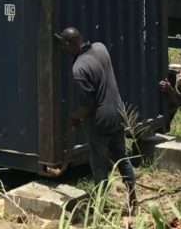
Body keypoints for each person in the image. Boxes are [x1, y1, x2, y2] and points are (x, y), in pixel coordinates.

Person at [58, 27, 137, 208]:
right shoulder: (100, 48)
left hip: (100, 121)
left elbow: (89, 104)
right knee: (122, 157)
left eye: (64, 45)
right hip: (119, 112)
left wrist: (74, 118)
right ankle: (133, 200)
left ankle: (101, 206)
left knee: (99, 164)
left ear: (70, 43)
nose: (63, 49)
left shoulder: (79, 69)